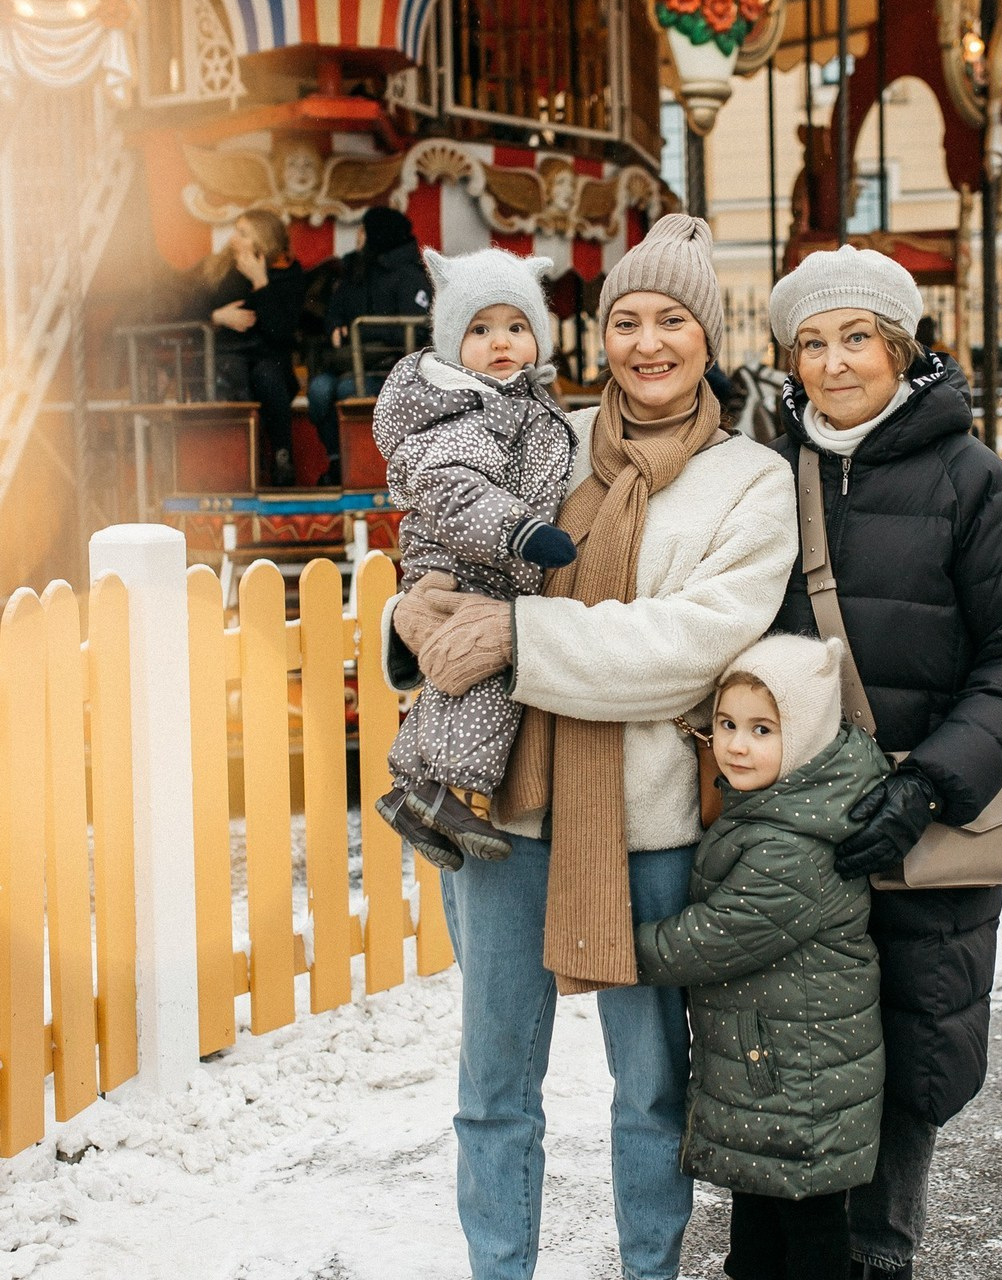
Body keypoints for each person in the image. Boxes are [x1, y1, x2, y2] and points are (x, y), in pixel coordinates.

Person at [386, 213, 799, 1280]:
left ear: (709, 338)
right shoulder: (539, 434)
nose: (646, 341)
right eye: (625, 319)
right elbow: (441, 544)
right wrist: (409, 620)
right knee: (493, 1086)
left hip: (650, 823)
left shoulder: (748, 482)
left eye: (671, 319)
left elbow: (687, 646)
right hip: (506, 812)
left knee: (653, 1084)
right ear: (597, 332)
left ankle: (649, 1268)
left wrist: (518, 636)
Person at [766, 245, 1002, 1280]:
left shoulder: (967, 476)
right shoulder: (773, 472)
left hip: (917, 813)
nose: (833, 363)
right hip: (798, 824)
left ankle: (882, 1244)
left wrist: (930, 779)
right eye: (811, 341)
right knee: (795, 1043)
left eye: (855, 338)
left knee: (907, 1046)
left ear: (900, 348)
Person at [634, 633, 891, 1280]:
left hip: (802, 1087)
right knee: (755, 1240)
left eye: (761, 729)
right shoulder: (771, 812)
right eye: (725, 724)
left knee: (806, 1241)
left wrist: (619, 949)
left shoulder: (793, 844)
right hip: (773, 1076)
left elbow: (716, 936)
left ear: (802, 738)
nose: (737, 744)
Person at [372, 247, 577, 870]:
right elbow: (459, 493)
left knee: (463, 673)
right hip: (466, 558)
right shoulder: (456, 409)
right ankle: (443, 786)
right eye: (481, 330)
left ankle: (416, 790)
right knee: (481, 674)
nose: (502, 343)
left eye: (517, 327)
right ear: (452, 340)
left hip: (492, 562)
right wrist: (521, 533)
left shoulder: (521, 401)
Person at [308, 206, 432, 485]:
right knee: (318, 391)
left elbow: (415, 326)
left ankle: (369, 468)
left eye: (363, 229)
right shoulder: (354, 269)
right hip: (349, 363)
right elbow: (335, 310)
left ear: (377, 233)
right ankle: (338, 460)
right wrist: (334, 325)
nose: (359, 235)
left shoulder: (410, 275)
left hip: (389, 370)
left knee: (348, 390)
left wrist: (358, 332)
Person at [192, 209, 306, 485]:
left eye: (243, 234)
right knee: (234, 374)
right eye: (235, 231)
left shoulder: (287, 273)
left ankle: (282, 458)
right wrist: (217, 317)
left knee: (268, 376)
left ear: (263, 241)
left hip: (269, 359)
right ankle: (241, 466)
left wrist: (261, 283)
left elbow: (282, 332)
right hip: (227, 355)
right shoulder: (216, 268)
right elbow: (187, 309)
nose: (233, 239)